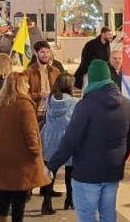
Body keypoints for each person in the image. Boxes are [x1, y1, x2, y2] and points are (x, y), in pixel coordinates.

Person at [47, 60, 130, 222]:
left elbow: (70, 140)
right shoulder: (128, 105)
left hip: (87, 172)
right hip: (112, 171)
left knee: (87, 216)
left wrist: (51, 165)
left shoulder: (85, 106)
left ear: (92, 80)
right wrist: (120, 159)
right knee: (108, 215)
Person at [0, 71, 49, 222]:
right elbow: (31, 133)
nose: (29, 86)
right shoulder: (24, 105)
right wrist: (36, 153)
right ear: (20, 86)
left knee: (4, 194)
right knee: (19, 200)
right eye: (26, 83)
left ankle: (1, 220)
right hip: (22, 160)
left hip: (3, 157)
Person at [40, 73, 78, 214]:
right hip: (66, 137)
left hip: (49, 136)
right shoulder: (74, 102)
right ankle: (70, 199)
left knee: (50, 170)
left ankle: (46, 203)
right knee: (70, 170)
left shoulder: (50, 99)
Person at [27, 40, 60, 122]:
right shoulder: (29, 72)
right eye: (42, 52)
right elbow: (24, 94)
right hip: (35, 113)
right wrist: (39, 95)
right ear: (36, 53)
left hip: (52, 112)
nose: (45, 55)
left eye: (47, 52)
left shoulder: (55, 71)